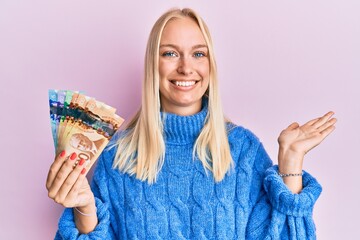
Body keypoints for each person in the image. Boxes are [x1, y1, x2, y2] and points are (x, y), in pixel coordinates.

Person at [46, 8, 337, 239]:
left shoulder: (243, 150)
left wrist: (291, 162)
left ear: (210, 65)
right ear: (153, 65)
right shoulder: (117, 157)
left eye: (198, 53)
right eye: (170, 53)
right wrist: (85, 208)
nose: (186, 67)